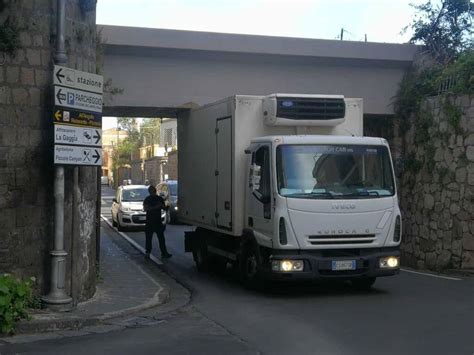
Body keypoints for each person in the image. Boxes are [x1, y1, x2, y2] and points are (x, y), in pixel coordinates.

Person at [143, 185, 172, 259]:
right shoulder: (158, 199)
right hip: (156, 221)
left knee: (150, 238)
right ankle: (164, 253)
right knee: (160, 238)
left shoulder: (147, 199)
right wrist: (160, 207)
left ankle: (148, 253)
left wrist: (166, 206)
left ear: (149, 192)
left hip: (150, 222)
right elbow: (163, 208)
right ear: (155, 191)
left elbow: (145, 209)